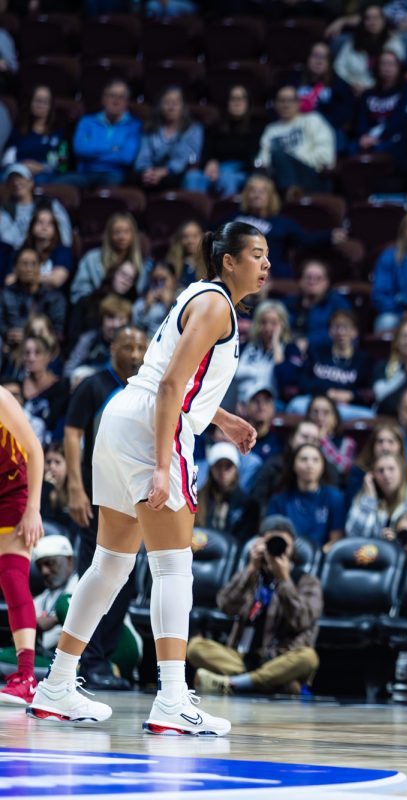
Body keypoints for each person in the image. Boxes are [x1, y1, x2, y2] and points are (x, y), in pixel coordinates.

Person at [29, 222, 267, 735]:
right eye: (256, 254)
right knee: (174, 567)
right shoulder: (216, 305)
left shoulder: (201, 298)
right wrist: (163, 464)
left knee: (110, 564)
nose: (265, 264)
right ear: (229, 261)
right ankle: (173, 699)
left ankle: (56, 686)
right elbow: (171, 388)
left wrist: (222, 418)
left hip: (120, 420)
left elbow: (171, 379)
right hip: (151, 429)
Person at [61, 325, 146, 689]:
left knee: (126, 585)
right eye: (128, 345)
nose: (136, 352)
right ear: (112, 347)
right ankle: (87, 661)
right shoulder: (93, 386)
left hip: (134, 498)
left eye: (142, 345)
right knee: (94, 575)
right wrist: (76, 489)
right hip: (97, 497)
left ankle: (102, 659)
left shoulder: (146, 390)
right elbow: (71, 434)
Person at [190, 516, 322, 697]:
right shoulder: (253, 575)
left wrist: (284, 580)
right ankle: (271, 682)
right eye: (270, 543)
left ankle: (236, 683)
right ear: (260, 544)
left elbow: (302, 620)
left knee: (308, 658)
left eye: (283, 543)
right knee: (195, 647)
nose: (276, 549)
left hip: (281, 658)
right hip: (241, 658)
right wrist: (251, 569)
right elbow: (225, 605)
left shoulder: (306, 582)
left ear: (292, 548)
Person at [0, 385, 45, 704]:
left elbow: (35, 451)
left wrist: (33, 509)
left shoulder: (1, 399)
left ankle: (27, 675)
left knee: (13, 579)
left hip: (14, 493)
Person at [228, 175, 347, 280]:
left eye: (263, 191)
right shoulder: (233, 218)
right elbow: (213, 234)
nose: (257, 195)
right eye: (253, 190)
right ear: (246, 195)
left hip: (269, 274)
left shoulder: (281, 223)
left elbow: (305, 239)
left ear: (270, 197)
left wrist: (330, 235)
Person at [0, 535, 74, 676]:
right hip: (50, 657)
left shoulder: (83, 586)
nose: (44, 571)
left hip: (84, 657)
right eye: (40, 566)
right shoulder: (39, 600)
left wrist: (55, 619)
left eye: (50, 563)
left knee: (65, 602)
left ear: (70, 561)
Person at [53, 79, 140, 189]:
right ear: (103, 99)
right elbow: (80, 149)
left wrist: (93, 149)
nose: (116, 101)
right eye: (111, 96)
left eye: (121, 97)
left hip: (115, 174)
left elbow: (126, 158)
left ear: (127, 102)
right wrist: (113, 148)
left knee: (109, 189)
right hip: (85, 173)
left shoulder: (134, 125)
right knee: (56, 186)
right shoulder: (87, 121)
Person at [183, 86, 264, 198]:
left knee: (227, 179)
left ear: (248, 103)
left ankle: (227, 214)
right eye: (233, 99)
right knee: (192, 177)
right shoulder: (215, 127)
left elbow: (253, 159)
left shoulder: (256, 128)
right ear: (227, 102)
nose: (237, 103)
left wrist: (226, 170)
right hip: (215, 170)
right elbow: (205, 153)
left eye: (241, 99)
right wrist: (210, 163)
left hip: (240, 172)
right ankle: (194, 213)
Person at [256, 85, 337, 196]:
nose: (286, 104)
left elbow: (325, 157)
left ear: (299, 103)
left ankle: (290, 196)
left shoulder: (313, 120)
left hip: (312, 175)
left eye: (290, 100)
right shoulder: (271, 130)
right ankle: (290, 192)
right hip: (278, 178)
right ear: (275, 104)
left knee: (278, 154)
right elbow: (262, 160)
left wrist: (292, 159)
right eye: (281, 100)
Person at [265, 442, 347, 548]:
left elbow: (336, 541)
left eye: (315, 460)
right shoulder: (279, 499)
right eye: (304, 459)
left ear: (323, 466)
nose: (310, 465)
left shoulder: (334, 497)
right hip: (287, 554)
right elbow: (270, 536)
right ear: (293, 465)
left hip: (322, 558)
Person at [70, 212, 149, 306]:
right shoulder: (91, 259)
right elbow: (78, 292)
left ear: (133, 235)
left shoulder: (140, 264)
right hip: (96, 307)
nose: (122, 237)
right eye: (117, 232)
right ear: (109, 235)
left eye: (126, 232)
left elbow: (141, 296)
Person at [133, 87, 203, 192]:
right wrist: (147, 172)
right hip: (151, 173)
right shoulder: (150, 128)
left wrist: (163, 172)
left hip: (177, 173)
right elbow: (143, 156)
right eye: (167, 103)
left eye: (175, 103)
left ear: (183, 107)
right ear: (160, 106)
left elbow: (183, 159)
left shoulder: (193, 129)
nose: (171, 107)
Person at [2, 86, 70, 186]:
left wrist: (43, 167)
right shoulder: (18, 131)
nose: (40, 105)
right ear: (31, 103)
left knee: (41, 181)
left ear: (50, 106)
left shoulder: (58, 134)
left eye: (44, 102)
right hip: (17, 171)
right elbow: (6, 159)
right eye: (37, 101)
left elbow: (63, 165)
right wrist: (21, 166)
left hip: (45, 175)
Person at [334, 3, 407, 95]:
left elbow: (398, 70)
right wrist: (352, 83)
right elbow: (340, 67)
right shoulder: (353, 43)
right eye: (368, 18)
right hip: (353, 88)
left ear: (383, 20)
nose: (372, 22)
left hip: (383, 90)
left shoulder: (394, 42)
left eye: (376, 18)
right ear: (363, 22)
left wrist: (370, 88)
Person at [345, 453, 407, 539]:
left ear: (401, 471)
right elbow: (352, 534)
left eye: (391, 469)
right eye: (380, 470)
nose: (386, 474)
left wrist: (396, 538)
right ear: (373, 475)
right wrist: (370, 500)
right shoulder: (364, 498)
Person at [0, 163, 73, 256]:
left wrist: (61, 248)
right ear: (8, 185)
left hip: (50, 250)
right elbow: (6, 237)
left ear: (31, 182)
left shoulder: (48, 202)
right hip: (18, 254)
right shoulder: (5, 208)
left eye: (20, 178)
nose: (16, 182)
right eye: (12, 179)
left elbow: (64, 229)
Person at [195, 441, 259, 543]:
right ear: (211, 469)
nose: (223, 472)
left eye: (228, 466)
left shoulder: (247, 504)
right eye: (218, 466)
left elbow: (244, 536)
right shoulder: (197, 498)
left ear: (236, 469)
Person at [1, 247, 66, 341]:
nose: (29, 269)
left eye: (34, 264)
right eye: (24, 264)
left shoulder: (54, 297)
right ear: (15, 269)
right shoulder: (6, 294)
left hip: (43, 348)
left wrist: (30, 336)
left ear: (40, 268)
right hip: (11, 345)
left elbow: (57, 332)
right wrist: (7, 333)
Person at [18, 205, 75, 292]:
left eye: (49, 224)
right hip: (22, 298)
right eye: (40, 222)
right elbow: (9, 280)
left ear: (55, 229)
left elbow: (56, 280)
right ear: (32, 226)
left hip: (52, 300)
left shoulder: (63, 251)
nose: (44, 227)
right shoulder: (22, 251)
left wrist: (26, 278)